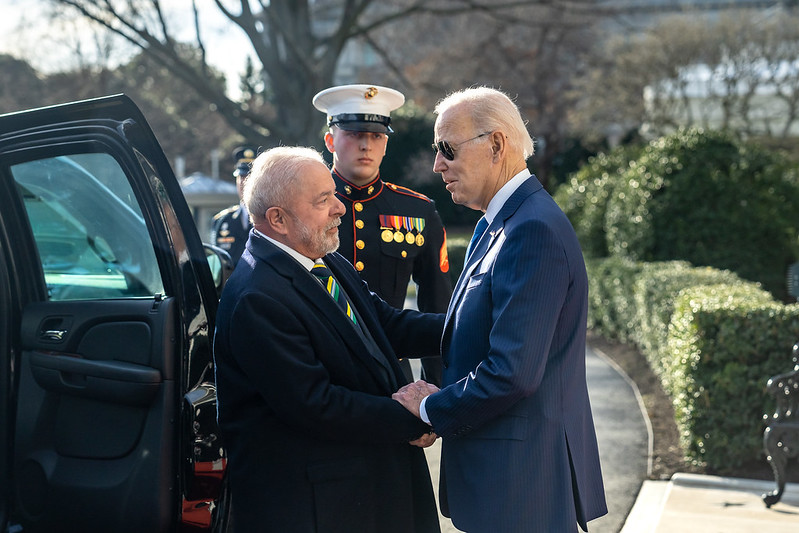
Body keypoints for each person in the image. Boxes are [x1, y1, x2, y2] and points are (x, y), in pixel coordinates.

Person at [393, 87, 608, 532]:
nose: (437, 165)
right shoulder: (499, 222)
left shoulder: (532, 230)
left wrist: (432, 407)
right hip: (508, 483)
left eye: (447, 148)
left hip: (523, 487)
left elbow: (512, 371)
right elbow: (469, 328)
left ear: (495, 145)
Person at [213, 145, 443, 533]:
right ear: (278, 219)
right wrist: (414, 415)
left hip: (357, 489)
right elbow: (315, 404)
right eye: (324, 200)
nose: (341, 207)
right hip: (316, 508)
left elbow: (383, 324)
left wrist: (468, 325)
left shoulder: (322, 258)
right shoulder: (258, 296)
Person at [312, 84, 452, 386]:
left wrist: (437, 391)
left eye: (376, 136)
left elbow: (437, 306)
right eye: (354, 134)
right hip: (321, 373)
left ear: (386, 144)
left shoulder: (417, 210)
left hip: (392, 376)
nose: (366, 145)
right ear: (330, 140)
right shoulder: (306, 205)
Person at [211, 146, 255, 264]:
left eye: (249, 177)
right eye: (241, 176)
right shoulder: (222, 221)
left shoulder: (273, 219)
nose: (243, 182)